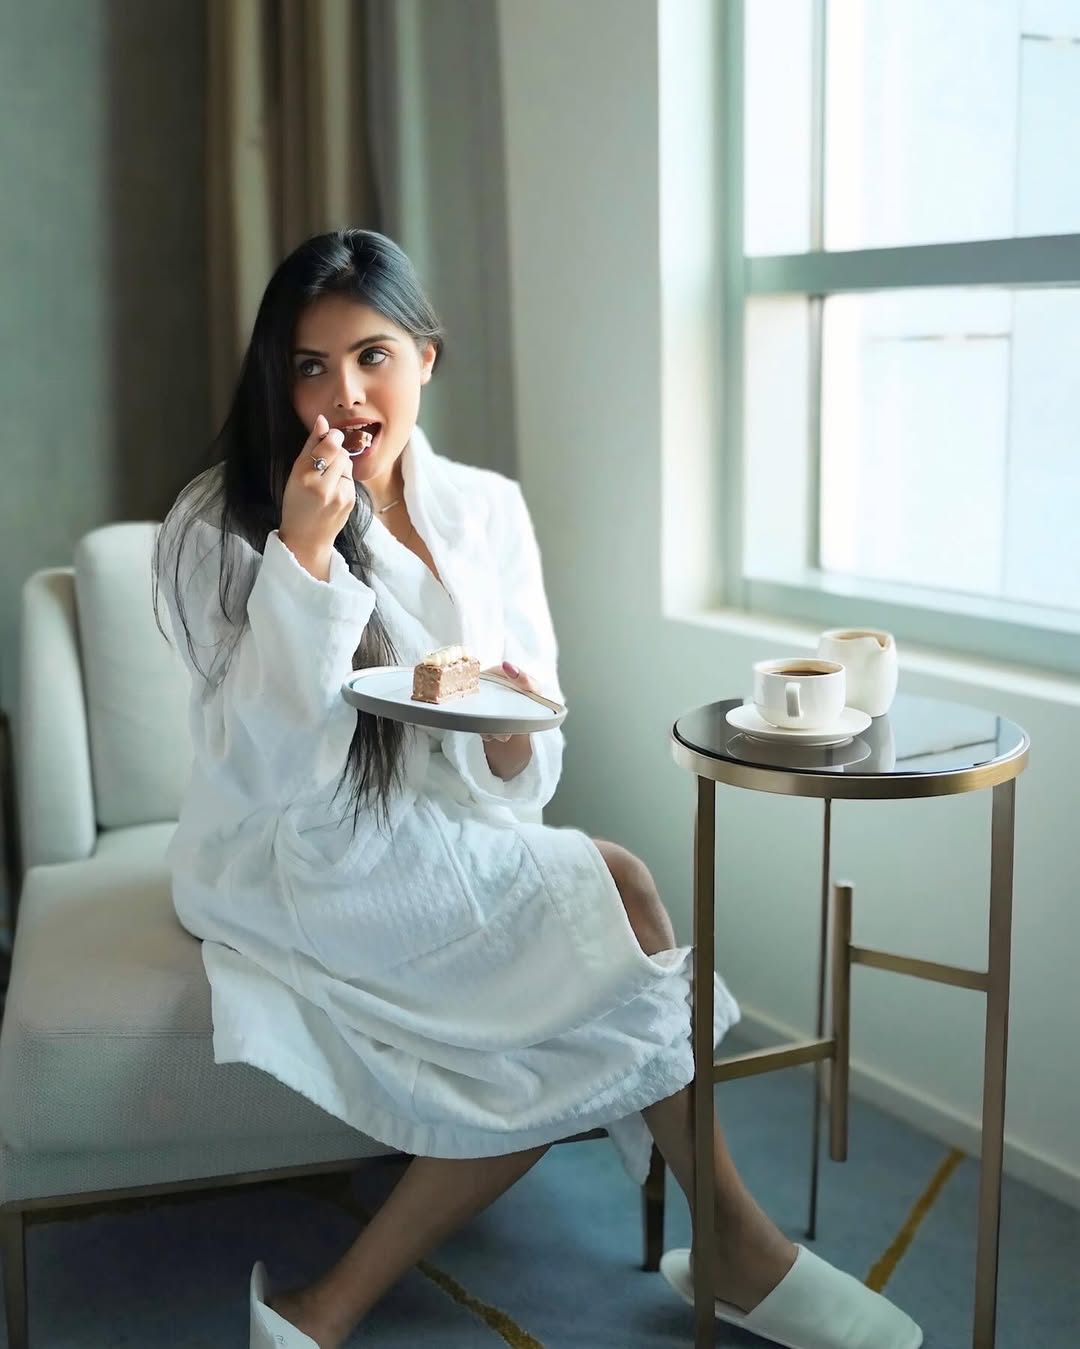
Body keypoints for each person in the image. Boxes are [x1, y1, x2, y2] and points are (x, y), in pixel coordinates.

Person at [155, 229, 922, 1349]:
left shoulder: (486, 510)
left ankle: (331, 1308)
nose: (344, 394)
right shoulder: (217, 524)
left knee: (587, 960)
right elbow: (265, 768)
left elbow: (526, 775)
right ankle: (739, 1248)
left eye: (372, 356)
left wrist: (508, 731)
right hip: (288, 853)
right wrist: (305, 562)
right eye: (310, 366)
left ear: (427, 358)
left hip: (434, 826)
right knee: (614, 908)